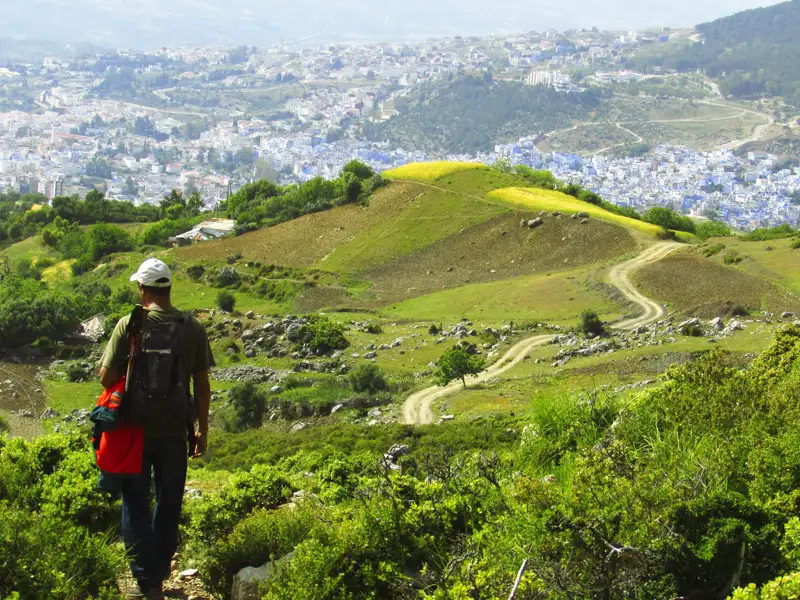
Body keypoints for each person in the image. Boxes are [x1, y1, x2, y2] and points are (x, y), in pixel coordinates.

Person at [99, 258, 214, 600]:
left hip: (134, 432)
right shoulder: (191, 327)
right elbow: (202, 383)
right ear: (168, 289)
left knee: (135, 503)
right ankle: (160, 576)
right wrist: (202, 429)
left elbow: (105, 377)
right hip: (176, 432)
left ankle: (145, 581)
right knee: (168, 504)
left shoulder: (129, 325)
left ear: (142, 289)